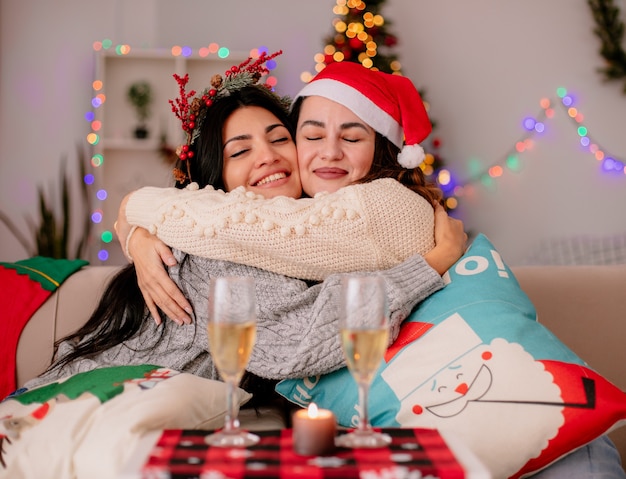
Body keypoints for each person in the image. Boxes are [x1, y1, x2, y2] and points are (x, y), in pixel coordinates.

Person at [115, 60, 626, 478]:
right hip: (108, 408)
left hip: (548, 439)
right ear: (214, 174)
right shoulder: (242, 245)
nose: (323, 152)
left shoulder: (386, 209)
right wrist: (137, 233)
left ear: (382, 147)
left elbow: (252, 239)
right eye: (310, 135)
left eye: (352, 136)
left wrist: (135, 210)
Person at [25, 55, 464, 398]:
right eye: (240, 151)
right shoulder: (220, 249)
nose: (268, 157)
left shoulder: (341, 219)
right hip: (77, 410)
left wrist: (134, 220)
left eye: (279, 138)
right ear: (218, 180)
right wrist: (427, 268)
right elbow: (298, 344)